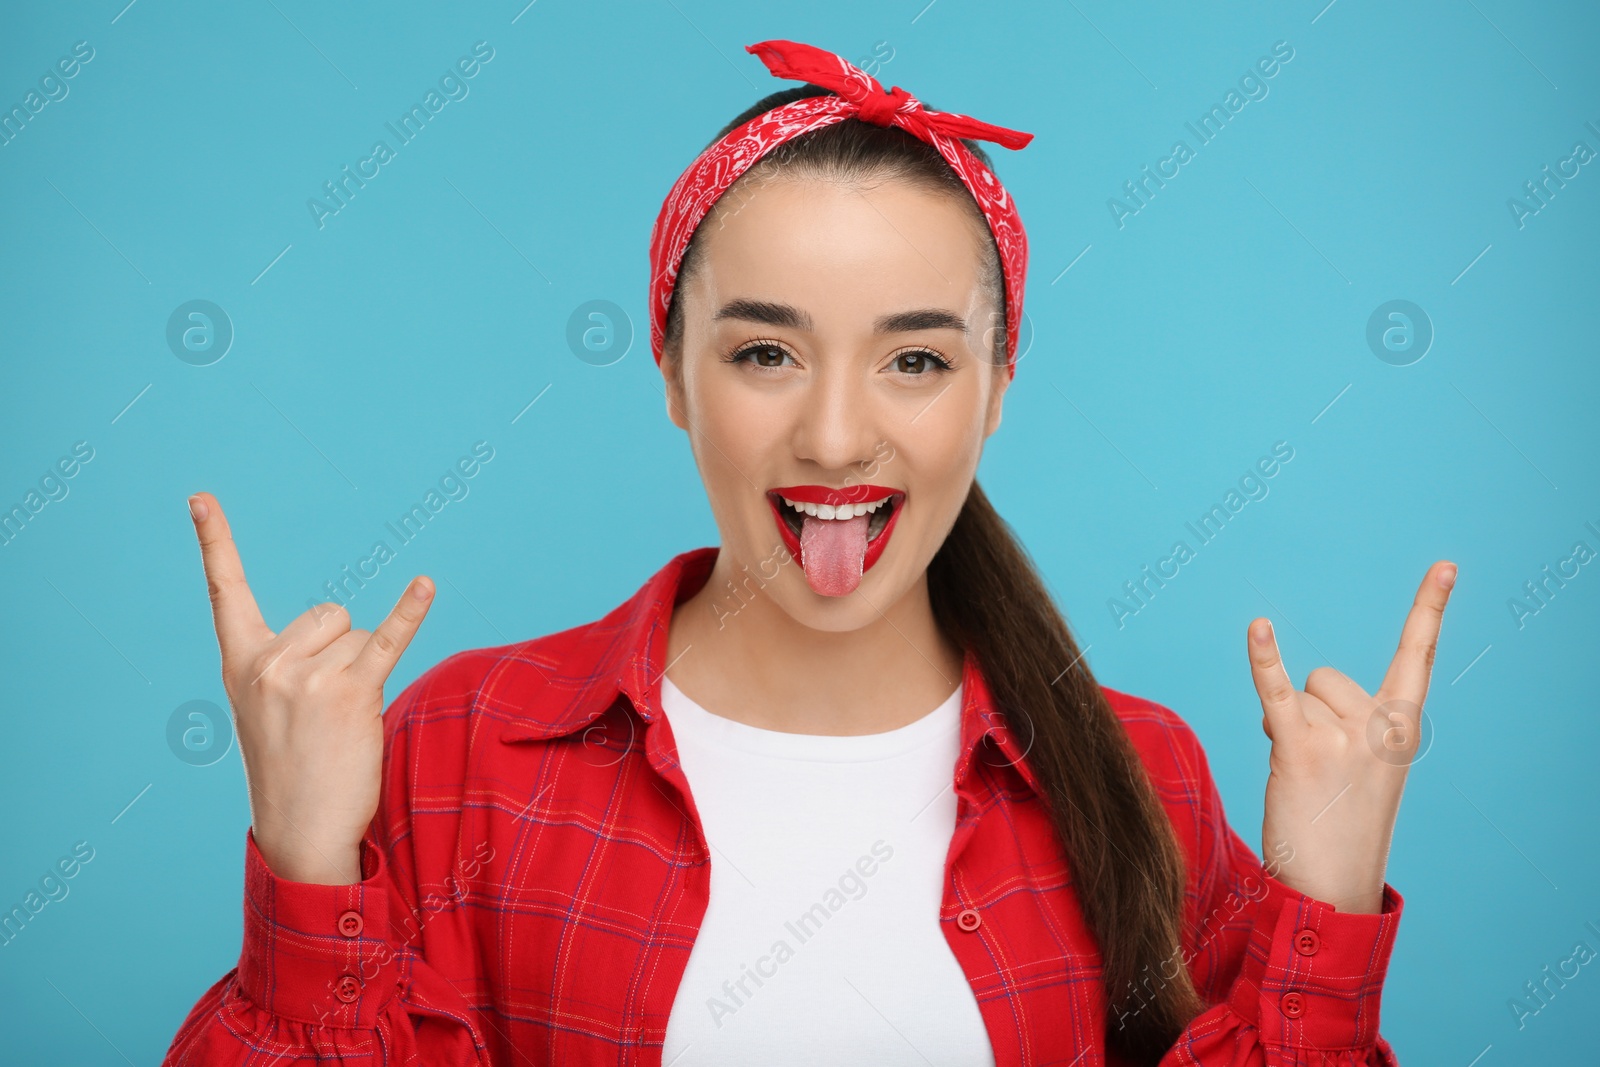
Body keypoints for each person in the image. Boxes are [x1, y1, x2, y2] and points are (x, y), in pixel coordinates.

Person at [162, 39, 1455, 1067]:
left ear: (998, 388)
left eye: (917, 360)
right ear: (671, 372)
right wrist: (305, 868)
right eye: (766, 353)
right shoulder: (463, 753)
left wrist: (1320, 911)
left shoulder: (1142, 775)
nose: (837, 436)